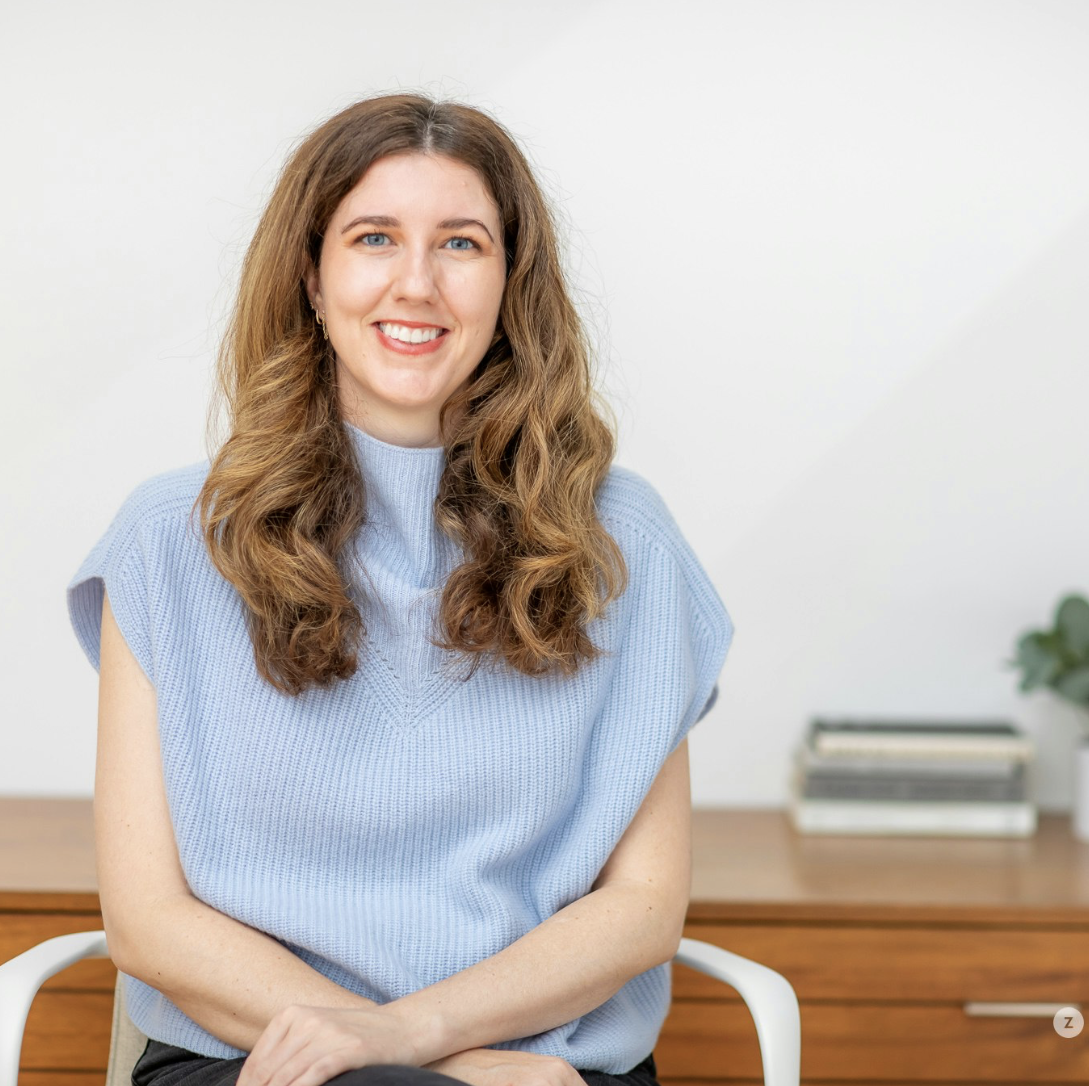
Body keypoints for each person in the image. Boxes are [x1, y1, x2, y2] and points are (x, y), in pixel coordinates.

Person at [65, 92, 734, 1086]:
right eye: (373, 237)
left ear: (510, 281)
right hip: (260, 1061)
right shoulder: (171, 541)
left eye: (461, 244)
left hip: (544, 1070)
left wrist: (416, 1040)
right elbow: (149, 923)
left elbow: (642, 909)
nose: (416, 283)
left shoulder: (619, 541)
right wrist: (440, 1065)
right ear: (311, 274)